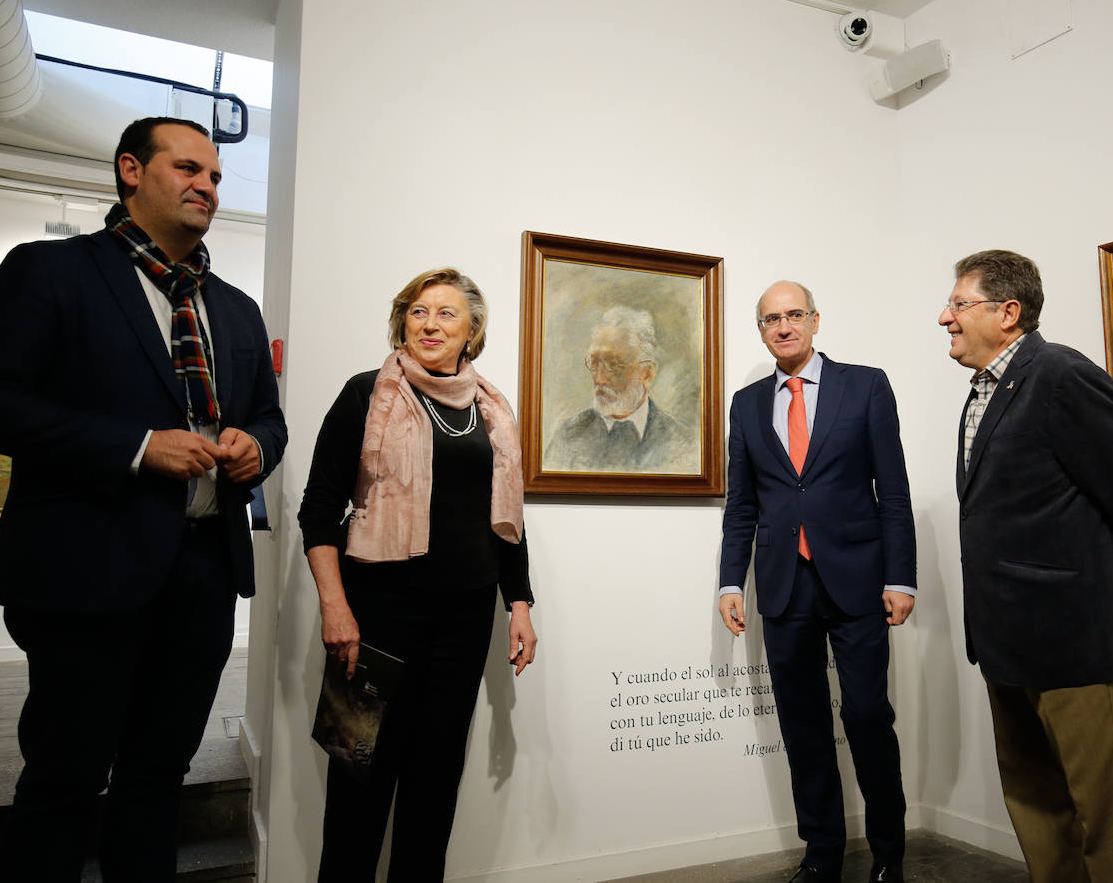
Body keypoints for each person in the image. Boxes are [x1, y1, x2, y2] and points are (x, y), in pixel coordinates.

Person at [0, 116, 287, 880]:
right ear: (131, 170)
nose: (208, 185)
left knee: (159, 775)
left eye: (218, 176)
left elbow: (269, 417)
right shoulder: (50, 271)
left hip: (201, 575)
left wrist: (254, 447)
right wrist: (138, 445)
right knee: (65, 780)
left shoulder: (233, 307)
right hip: (84, 571)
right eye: (189, 168)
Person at [299, 267, 538, 881]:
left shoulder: (491, 410)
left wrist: (519, 603)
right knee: (358, 781)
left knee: (435, 784)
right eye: (418, 312)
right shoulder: (364, 394)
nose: (430, 324)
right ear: (402, 323)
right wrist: (334, 605)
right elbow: (319, 508)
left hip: (461, 623)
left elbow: (504, 517)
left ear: (472, 331)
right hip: (375, 618)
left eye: (446, 314)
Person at [938, 249, 1113, 882]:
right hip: (1006, 638)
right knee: (1037, 804)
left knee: (1111, 813)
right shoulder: (984, 389)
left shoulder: (1062, 375)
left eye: (959, 304)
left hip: (1074, 638)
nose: (944, 318)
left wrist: (1109, 579)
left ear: (1007, 312)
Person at [718, 281, 915, 883]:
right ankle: (822, 852)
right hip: (782, 585)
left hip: (857, 580)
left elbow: (894, 492)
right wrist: (731, 582)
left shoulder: (866, 384)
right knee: (802, 725)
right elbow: (742, 504)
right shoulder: (748, 402)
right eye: (771, 319)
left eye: (794, 315)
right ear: (761, 330)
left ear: (815, 320)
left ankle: (888, 853)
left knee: (866, 716)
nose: (784, 327)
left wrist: (901, 577)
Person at [544, 305, 696, 473]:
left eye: (613, 365)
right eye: (594, 364)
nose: (599, 379)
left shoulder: (683, 442)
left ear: (647, 373)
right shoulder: (568, 437)